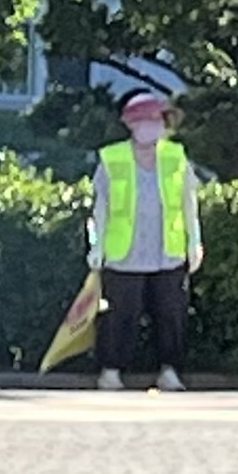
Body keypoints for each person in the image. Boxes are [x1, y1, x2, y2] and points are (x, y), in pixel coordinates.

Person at [88, 89, 205, 395]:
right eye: (147, 120)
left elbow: (188, 201)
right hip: (123, 253)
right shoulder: (112, 158)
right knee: (120, 315)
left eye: (158, 120)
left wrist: (195, 241)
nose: (154, 126)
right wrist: (96, 244)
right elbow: (99, 208)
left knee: (171, 314)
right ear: (131, 124)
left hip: (168, 251)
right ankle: (111, 371)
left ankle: (169, 371)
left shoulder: (175, 156)